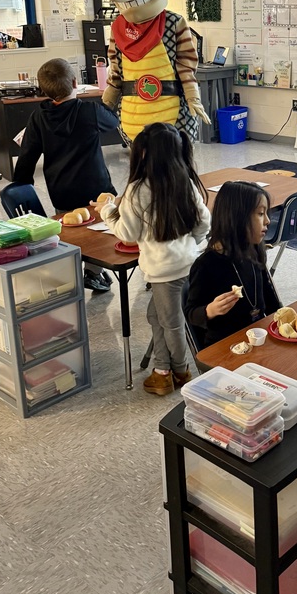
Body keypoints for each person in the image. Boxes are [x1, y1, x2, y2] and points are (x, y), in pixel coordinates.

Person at [93, 122, 210, 395]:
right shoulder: (185, 180)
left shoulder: (137, 189)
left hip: (164, 273)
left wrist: (107, 210)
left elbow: (127, 233)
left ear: (145, 153)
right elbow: (204, 221)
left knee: (171, 323)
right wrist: (191, 245)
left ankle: (180, 371)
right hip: (188, 264)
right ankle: (162, 369)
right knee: (156, 317)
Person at [13, 58, 119, 292]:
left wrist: (20, 185)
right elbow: (113, 122)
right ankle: (93, 270)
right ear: (74, 82)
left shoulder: (38, 117)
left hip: (61, 190)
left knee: (74, 229)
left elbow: (27, 156)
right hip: (96, 186)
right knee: (105, 227)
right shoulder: (88, 111)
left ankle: (82, 269)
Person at [186, 181, 281, 348]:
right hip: (225, 346)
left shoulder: (254, 251)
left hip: (257, 336)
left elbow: (269, 296)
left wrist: (282, 318)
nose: (267, 221)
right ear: (238, 218)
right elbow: (190, 313)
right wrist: (210, 310)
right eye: (260, 214)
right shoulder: (206, 265)